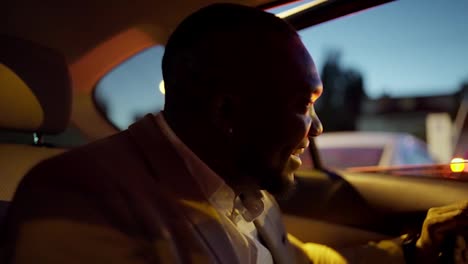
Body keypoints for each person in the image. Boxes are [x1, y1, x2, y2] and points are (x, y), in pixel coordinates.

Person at [1, 3, 467, 264]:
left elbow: (300, 261)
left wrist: (414, 251)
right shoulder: (74, 201)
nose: (317, 128)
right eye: (305, 105)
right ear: (227, 110)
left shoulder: (243, 192)